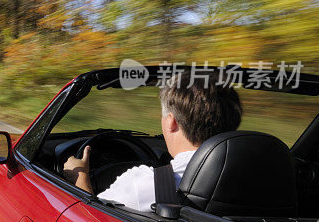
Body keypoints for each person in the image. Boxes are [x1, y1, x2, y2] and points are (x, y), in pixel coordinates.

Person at [62, 73, 243, 212]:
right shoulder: (259, 175)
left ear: (171, 122)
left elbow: (91, 218)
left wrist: (80, 177)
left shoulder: (147, 184)